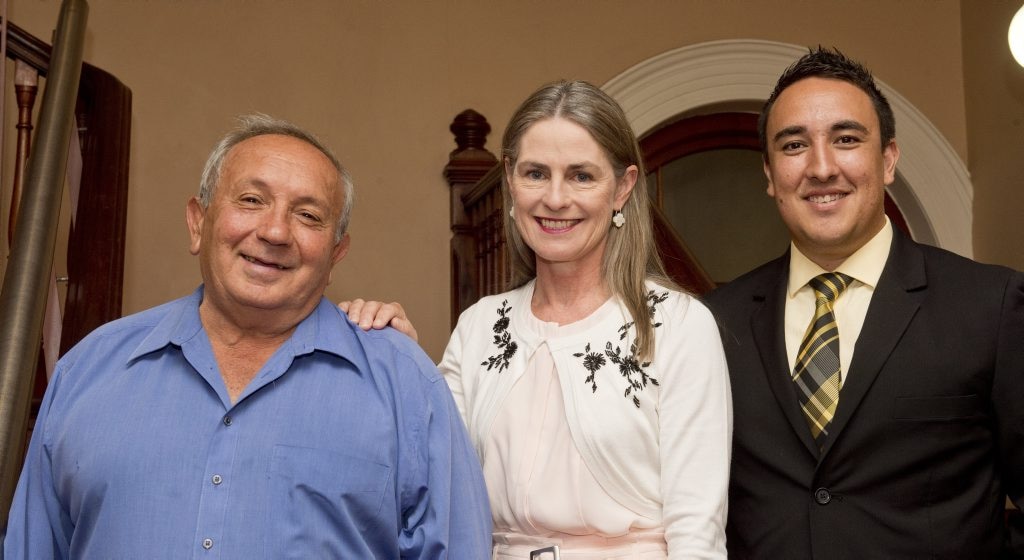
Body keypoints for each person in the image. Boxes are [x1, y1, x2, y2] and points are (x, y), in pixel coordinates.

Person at [2, 114, 491, 559]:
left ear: (336, 252)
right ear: (198, 223)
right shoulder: (89, 371)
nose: (275, 231)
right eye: (251, 200)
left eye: (308, 216)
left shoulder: (406, 386)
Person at [345, 80, 733, 559]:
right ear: (510, 178)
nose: (554, 199)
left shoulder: (677, 325)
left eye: (581, 176)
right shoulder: (480, 326)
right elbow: (430, 478)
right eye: (535, 173)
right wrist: (400, 360)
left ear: (623, 187)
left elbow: (698, 531)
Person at [702, 48, 1024, 558]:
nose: (821, 167)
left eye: (847, 140)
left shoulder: (992, 306)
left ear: (889, 159)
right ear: (768, 174)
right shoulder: (715, 322)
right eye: (793, 146)